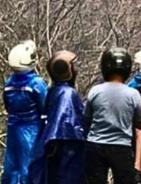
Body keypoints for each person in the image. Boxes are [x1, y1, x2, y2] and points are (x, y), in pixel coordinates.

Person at [84, 47, 141, 184]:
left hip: (95, 144)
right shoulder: (133, 94)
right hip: (122, 146)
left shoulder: (95, 91)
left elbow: (87, 118)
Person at [29, 50, 86, 184]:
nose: (76, 70)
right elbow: (62, 123)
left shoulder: (54, 91)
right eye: (73, 66)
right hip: (68, 147)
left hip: (60, 146)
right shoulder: (68, 93)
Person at [2, 40, 48, 184]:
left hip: (13, 126)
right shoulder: (36, 83)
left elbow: (8, 106)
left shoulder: (9, 84)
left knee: (12, 163)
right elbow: (45, 105)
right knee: (29, 163)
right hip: (31, 128)